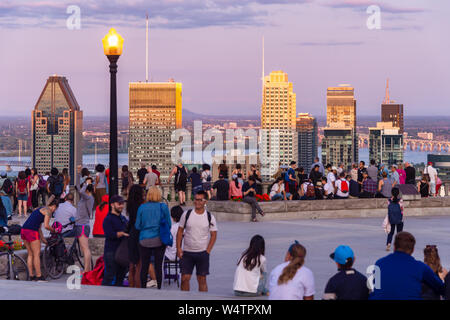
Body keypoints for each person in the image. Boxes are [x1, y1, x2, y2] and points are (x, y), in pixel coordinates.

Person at [369, 232, 445, 300]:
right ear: (412, 250)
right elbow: (440, 288)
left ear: (394, 246)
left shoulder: (380, 263)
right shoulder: (420, 267)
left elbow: (376, 287)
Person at [176, 191, 218, 292]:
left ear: (205, 201)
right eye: (195, 199)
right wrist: (178, 248)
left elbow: (214, 235)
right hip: (187, 252)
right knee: (185, 279)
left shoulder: (210, 217)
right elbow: (180, 231)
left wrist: (208, 251)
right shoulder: (187, 214)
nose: (197, 202)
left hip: (202, 253)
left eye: (200, 200)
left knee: (202, 280)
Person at [136, 186, 171, 289]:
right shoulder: (163, 207)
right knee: (158, 265)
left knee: (144, 265)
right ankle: (159, 287)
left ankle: (143, 287)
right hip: (159, 239)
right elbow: (168, 224)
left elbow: (137, 225)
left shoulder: (142, 207)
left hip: (144, 239)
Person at [21, 197, 59, 281]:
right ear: (54, 206)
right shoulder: (48, 211)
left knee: (30, 254)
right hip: (31, 232)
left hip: (24, 230)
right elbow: (46, 225)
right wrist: (54, 230)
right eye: (55, 209)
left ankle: (30, 275)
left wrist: (43, 239)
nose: (54, 211)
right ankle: (39, 276)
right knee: (36, 254)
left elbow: (39, 227)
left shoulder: (41, 208)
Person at [102, 195, 128, 286]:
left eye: (122, 204)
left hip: (122, 252)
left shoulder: (123, 218)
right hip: (111, 251)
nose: (121, 206)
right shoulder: (108, 219)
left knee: (121, 276)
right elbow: (109, 234)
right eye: (119, 204)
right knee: (109, 276)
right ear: (112, 205)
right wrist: (121, 233)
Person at [74, 165, 94, 272]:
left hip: (82, 225)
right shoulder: (86, 198)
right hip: (81, 224)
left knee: (85, 249)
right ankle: (87, 269)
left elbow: (81, 191)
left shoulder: (88, 197)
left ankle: (87, 271)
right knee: (84, 248)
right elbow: (77, 186)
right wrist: (78, 173)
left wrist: (87, 183)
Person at [126, 184, 145, 288]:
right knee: (139, 264)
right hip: (140, 233)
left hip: (132, 233)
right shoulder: (142, 205)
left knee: (131, 264)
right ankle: (138, 288)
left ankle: (131, 286)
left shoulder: (130, 204)